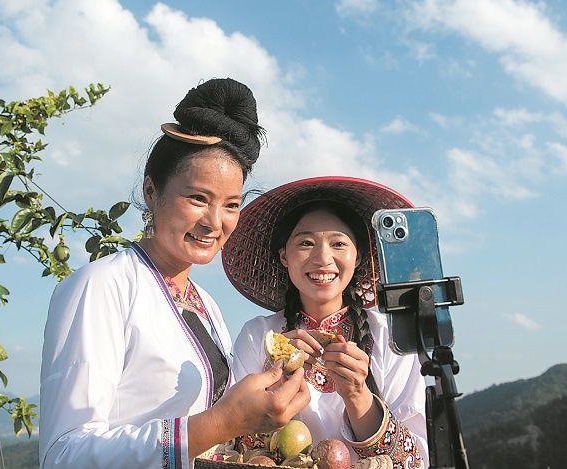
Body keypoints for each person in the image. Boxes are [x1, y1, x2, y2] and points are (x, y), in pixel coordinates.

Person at [39, 78, 310, 469]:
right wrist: (222, 421)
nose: (214, 222)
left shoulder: (208, 307)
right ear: (152, 191)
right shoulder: (102, 287)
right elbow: (65, 454)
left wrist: (276, 376)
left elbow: (222, 431)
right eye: (198, 198)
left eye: (231, 205)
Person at [222, 177, 429, 468]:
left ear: (358, 257)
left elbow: (416, 461)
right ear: (284, 256)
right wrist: (275, 379)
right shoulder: (258, 336)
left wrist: (357, 395)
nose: (323, 258)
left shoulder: (391, 338)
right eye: (306, 243)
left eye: (338, 243)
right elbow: (232, 449)